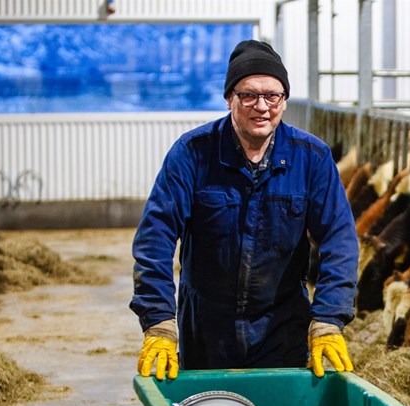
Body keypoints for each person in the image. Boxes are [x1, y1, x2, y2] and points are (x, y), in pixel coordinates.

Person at [130, 39, 359, 381]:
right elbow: (155, 238)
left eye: (272, 96)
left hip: (282, 326)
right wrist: (159, 321)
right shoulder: (192, 153)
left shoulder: (311, 158)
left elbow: (340, 240)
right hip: (206, 328)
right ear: (229, 99)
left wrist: (328, 318)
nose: (262, 106)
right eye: (248, 95)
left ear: (284, 100)